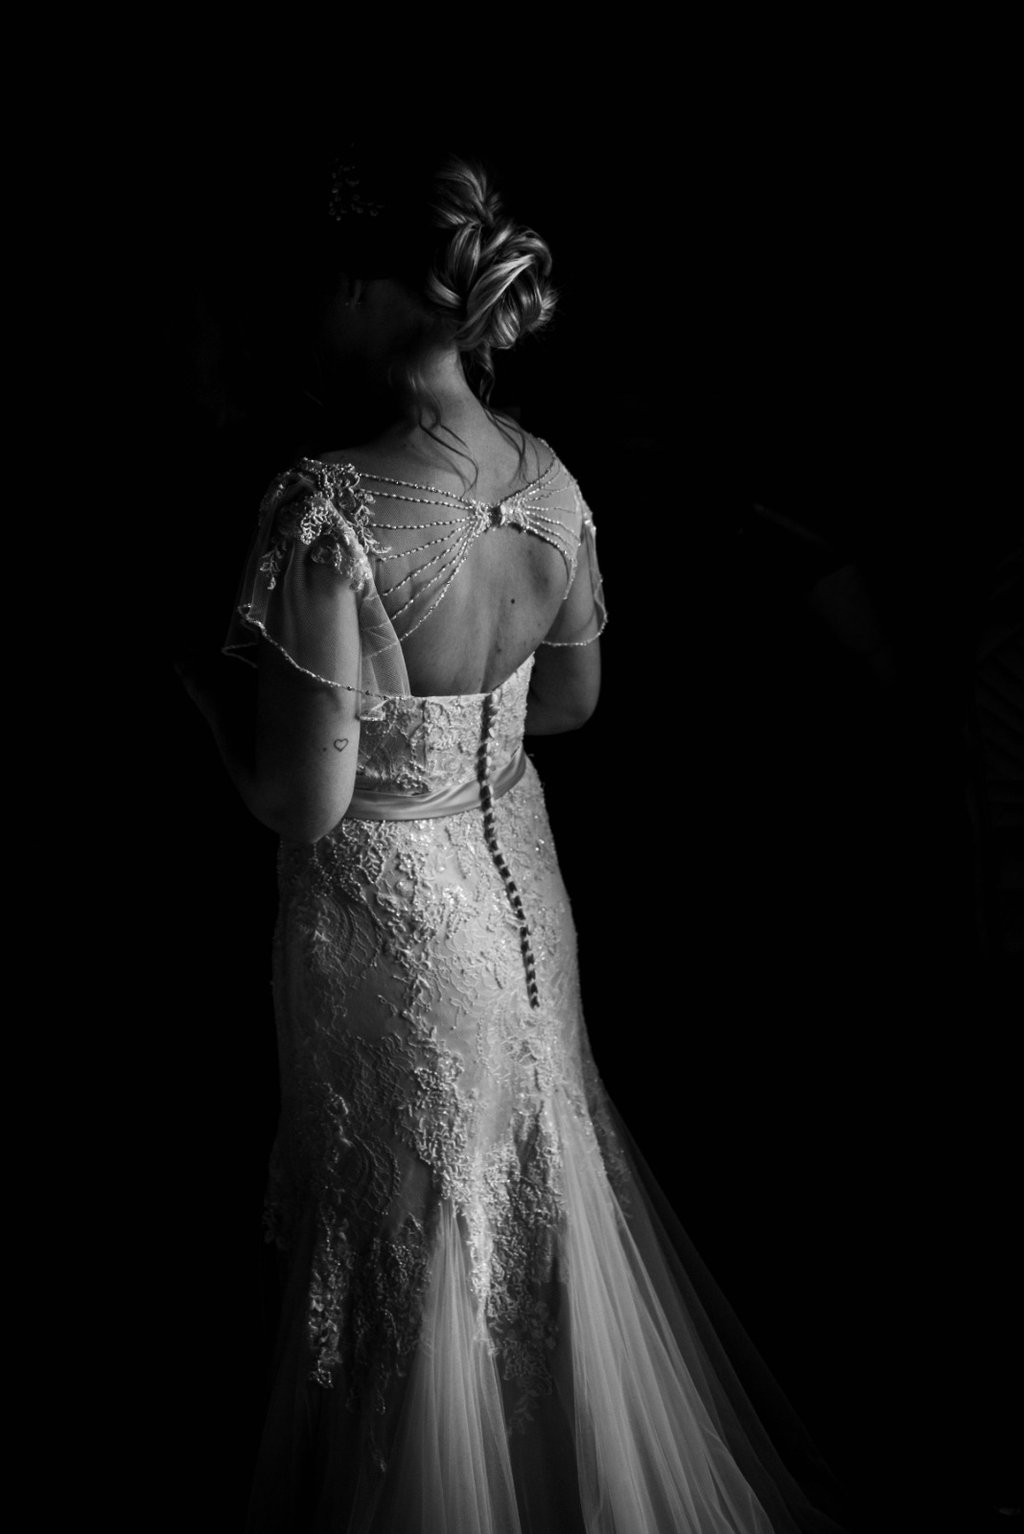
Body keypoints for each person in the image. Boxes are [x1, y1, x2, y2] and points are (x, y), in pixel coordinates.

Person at [180, 143, 858, 1534]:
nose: (310, 322)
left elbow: (301, 799)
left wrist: (207, 715)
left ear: (374, 295)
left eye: (325, 294)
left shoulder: (334, 503)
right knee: (517, 1197)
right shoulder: (548, 478)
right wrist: (459, 733)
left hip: (393, 926)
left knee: (414, 1231)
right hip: (521, 898)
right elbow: (574, 698)